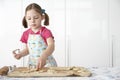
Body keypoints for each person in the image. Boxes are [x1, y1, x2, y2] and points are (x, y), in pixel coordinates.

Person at [13, 3, 57, 70]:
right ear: (25, 19)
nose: (32, 21)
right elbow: (28, 50)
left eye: (36, 18)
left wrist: (44, 55)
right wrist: (20, 54)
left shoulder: (46, 32)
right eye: (29, 18)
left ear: (42, 17)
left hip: (47, 65)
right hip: (33, 65)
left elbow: (51, 46)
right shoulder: (26, 34)